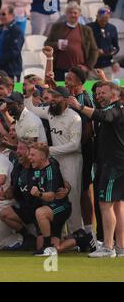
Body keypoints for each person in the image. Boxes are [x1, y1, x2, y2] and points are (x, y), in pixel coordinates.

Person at [68, 81, 124, 258]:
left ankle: (108, 247)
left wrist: (78, 106)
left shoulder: (115, 109)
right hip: (114, 164)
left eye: (103, 93)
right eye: (97, 93)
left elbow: (101, 116)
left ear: (114, 94)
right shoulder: (116, 109)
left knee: (105, 205)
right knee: (117, 207)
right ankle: (121, 247)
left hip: (113, 165)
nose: (99, 96)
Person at [24, 86, 84, 234]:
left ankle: (78, 235)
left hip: (71, 160)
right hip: (56, 160)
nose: (53, 100)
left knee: (71, 197)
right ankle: (61, 235)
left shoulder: (74, 118)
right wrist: (33, 92)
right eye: (52, 97)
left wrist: (49, 150)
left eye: (56, 97)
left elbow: (75, 145)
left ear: (65, 100)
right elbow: (30, 108)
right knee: (56, 196)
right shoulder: (50, 111)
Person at [65, 66, 95, 237]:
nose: (67, 81)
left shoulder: (83, 100)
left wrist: (75, 145)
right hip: (76, 150)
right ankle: (79, 228)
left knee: (83, 190)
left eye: (69, 78)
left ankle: (89, 231)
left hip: (83, 151)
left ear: (79, 81)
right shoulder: (74, 97)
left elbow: (88, 128)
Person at [28, 142, 72, 256]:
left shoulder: (50, 170)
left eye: (33, 155)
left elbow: (51, 196)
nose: (29, 157)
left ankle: (47, 247)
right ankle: (82, 240)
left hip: (61, 207)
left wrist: (39, 194)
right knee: (56, 248)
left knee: (40, 212)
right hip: (50, 208)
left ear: (42, 157)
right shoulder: (40, 167)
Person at [44, 1, 98, 81]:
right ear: (66, 14)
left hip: (79, 71)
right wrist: (57, 45)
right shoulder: (57, 27)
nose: (73, 15)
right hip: (60, 70)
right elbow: (47, 44)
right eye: (70, 13)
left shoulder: (86, 30)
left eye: (75, 13)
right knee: (62, 92)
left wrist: (88, 66)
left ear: (79, 14)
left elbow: (94, 50)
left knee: (80, 92)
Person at [0, 5, 24, 82]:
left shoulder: (16, 31)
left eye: (4, 14)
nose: (1, 16)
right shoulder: (1, 29)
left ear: (11, 15)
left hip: (11, 71)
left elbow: (14, 52)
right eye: (0, 14)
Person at [87, 6, 120, 80]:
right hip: (92, 66)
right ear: (97, 17)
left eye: (106, 19)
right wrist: (95, 51)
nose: (104, 22)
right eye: (102, 20)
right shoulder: (89, 28)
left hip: (107, 66)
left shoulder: (112, 28)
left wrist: (107, 52)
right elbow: (84, 46)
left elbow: (116, 47)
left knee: (107, 88)